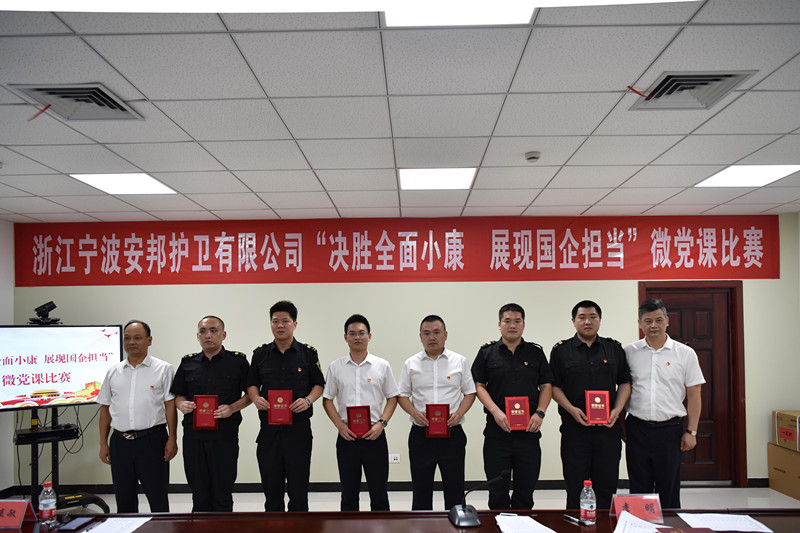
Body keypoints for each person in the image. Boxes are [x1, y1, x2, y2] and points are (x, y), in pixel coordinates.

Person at [549, 300, 631, 510]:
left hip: (608, 431)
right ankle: (575, 524)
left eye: (593, 317)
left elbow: (624, 382)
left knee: (606, 486)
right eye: (582, 317)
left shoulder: (614, 349)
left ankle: (604, 525)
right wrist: (571, 409)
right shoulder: (560, 351)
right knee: (575, 487)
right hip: (575, 431)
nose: (587, 322)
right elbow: (553, 386)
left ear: (600, 320)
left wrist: (617, 410)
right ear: (573, 321)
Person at [471, 303, 553, 510]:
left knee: (525, 491)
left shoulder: (535, 353)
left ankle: (523, 524)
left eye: (517, 321)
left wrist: (540, 413)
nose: (512, 325)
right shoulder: (487, 352)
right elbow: (478, 385)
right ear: (499, 324)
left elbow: (546, 385)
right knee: (497, 491)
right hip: (497, 432)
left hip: (529, 432)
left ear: (524, 324)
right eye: (507, 321)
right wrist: (495, 411)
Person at [624, 299, 705, 509]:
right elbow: (623, 389)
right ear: (640, 323)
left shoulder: (685, 353)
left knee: (668, 488)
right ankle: (639, 525)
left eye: (659, 320)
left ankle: (669, 525)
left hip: (670, 431)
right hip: (637, 429)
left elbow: (694, 393)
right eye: (648, 321)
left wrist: (692, 431)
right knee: (638, 488)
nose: (654, 325)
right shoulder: (629, 352)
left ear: (667, 321)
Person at [247, 300, 325, 512]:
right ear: (270, 324)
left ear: (295, 324)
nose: (280, 325)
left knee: (298, 488)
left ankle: (299, 525)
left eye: (285, 321)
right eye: (275, 321)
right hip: (269, 431)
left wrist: (308, 400)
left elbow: (319, 384)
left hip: (298, 431)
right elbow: (251, 384)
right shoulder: (260, 354)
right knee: (271, 487)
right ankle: (274, 524)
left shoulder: (308, 353)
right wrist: (256, 398)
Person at [170, 315, 251, 512]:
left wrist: (232, 408)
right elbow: (178, 394)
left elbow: (251, 394)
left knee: (222, 492)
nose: (208, 335)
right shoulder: (187, 363)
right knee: (199, 493)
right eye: (203, 331)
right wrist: (181, 405)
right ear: (197, 336)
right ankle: (200, 525)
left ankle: (223, 525)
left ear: (223, 335)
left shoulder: (237, 362)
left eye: (213, 331)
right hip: (194, 437)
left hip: (224, 437)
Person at [397, 315, 476, 510]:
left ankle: (455, 523)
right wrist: (415, 413)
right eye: (426, 333)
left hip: (452, 434)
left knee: (455, 489)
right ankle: (421, 524)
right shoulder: (411, 364)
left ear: (445, 335)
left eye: (436, 332)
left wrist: (459, 413)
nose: (431, 337)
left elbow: (470, 392)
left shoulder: (459, 361)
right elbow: (402, 395)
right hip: (421, 435)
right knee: (421, 489)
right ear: (420, 337)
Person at [97, 320, 177, 513]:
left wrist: (172, 439)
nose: (131, 342)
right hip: (120, 443)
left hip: (152, 441)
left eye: (137, 338)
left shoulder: (163, 369)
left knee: (157, 498)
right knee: (124, 500)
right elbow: (105, 408)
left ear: (149, 340)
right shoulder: (113, 372)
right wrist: (103, 443)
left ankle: (161, 527)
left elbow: (170, 406)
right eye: (127, 338)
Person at [322, 314, 399, 511]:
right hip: (347, 436)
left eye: (362, 333)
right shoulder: (336, 367)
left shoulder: (382, 365)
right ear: (345, 337)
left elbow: (393, 397)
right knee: (348, 493)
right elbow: (327, 399)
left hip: (375, 436)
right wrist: (339, 426)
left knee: (379, 492)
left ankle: (381, 526)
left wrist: (382, 423)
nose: (357, 337)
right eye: (352, 333)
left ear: (369, 336)